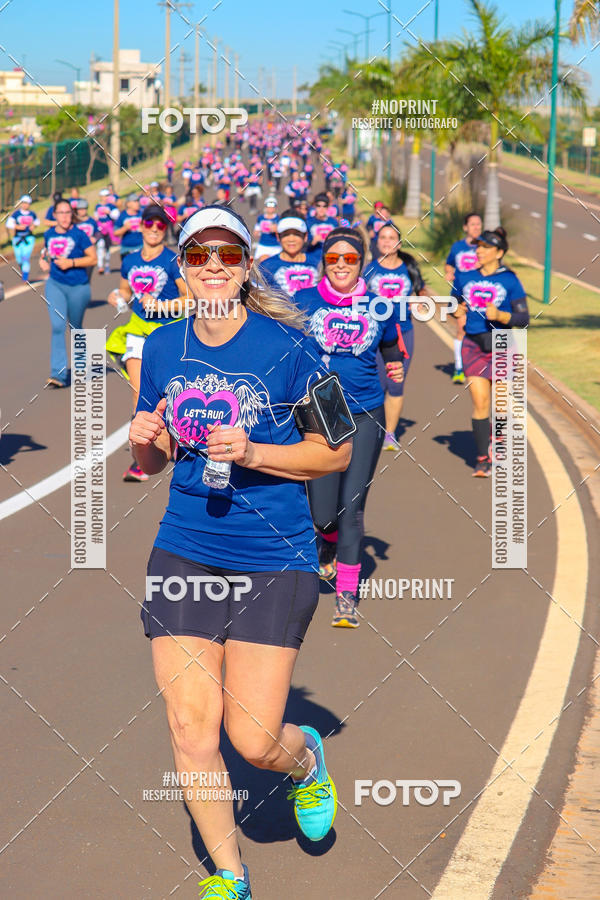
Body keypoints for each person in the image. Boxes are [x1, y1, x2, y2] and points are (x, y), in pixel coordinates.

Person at [130, 204, 348, 899]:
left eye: (227, 254)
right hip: (187, 547)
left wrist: (255, 450)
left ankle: (306, 761)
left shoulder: (292, 347)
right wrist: (145, 440)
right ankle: (231, 878)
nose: (213, 266)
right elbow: (160, 457)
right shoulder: (163, 349)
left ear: (247, 265)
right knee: (192, 728)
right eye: (199, 256)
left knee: (253, 741)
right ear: (184, 268)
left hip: (273, 553)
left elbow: (335, 450)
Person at [295, 227, 405, 627]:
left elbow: (390, 343)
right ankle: (326, 541)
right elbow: (284, 345)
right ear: (323, 261)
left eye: (350, 258)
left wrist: (393, 365)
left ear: (361, 262)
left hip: (365, 411)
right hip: (322, 410)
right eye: (333, 258)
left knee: (352, 510)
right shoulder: (303, 301)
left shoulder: (379, 305)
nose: (341, 264)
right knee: (322, 512)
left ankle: (346, 598)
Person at [105, 204, 187, 482]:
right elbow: (125, 290)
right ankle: (141, 456)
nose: (154, 229)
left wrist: (162, 305)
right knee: (139, 392)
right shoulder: (129, 260)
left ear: (166, 230)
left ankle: (176, 440)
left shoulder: (171, 260)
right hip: (138, 331)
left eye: (160, 225)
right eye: (149, 224)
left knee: (172, 392)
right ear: (140, 226)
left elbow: (190, 299)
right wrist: (117, 296)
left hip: (169, 332)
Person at [451, 227, 529, 476]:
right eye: (478, 246)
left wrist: (501, 315)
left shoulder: (510, 280)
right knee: (480, 400)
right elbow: (453, 303)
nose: (479, 251)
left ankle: (499, 441)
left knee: (500, 403)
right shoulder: (464, 276)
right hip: (474, 344)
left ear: (499, 252)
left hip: (503, 343)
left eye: (485, 247)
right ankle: (483, 458)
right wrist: (456, 310)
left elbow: (524, 318)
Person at [364, 221, 431, 450]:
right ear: (377, 242)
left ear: (399, 243)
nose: (386, 242)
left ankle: (389, 434)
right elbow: (357, 297)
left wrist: (420, 303)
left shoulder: (409, 267)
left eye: (391, 238)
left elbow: (422, 292)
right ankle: (370, 430)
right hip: (374, 333)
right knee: (376, 382)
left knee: (395, 381)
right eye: (383, 238)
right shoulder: (369, 269)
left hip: (402, 332)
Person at [39, 199, 97, 388]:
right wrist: (44, 262)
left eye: (67, 213)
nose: (64, 217)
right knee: (57, 326)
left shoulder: (80, 235)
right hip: (55, 284)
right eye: (60, 213)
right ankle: (58, 374)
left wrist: (71, 263)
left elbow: (93, 258)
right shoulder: (48, 234)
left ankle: (81, 368)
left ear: (71, 215)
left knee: (76, 326)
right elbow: (46, 253)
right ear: (54, 215)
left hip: (79, 286)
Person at [445, 212, 483, 383]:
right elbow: (449, 264)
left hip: (480, 295)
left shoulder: (485, 247)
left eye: (478, 224)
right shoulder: (457, 247)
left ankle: (478, 363)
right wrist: (449, 272)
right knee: (462, 328)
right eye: (473, 224)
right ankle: (459, 368)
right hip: (460, 294)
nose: (476, 227)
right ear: (465, 227)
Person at [259, 209, 320, 296]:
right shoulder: (265, 267)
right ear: (278, 237)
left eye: (297, 234)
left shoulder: (318, 265)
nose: (291, 239)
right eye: (286, 234)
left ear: (305, 236)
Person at [6, 194, 39, 282]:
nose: (25, 205)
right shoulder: (16, 214)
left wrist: (33, 226)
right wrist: (17, 227)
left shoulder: (32, 214)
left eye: (27, 203)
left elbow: (37, 222)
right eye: (23, 203)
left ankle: (25, 278)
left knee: (25, 257)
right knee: (19, 259)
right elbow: (8, 224)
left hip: (29, 239)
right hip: (17, 239)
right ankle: (23, 270)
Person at [114, 196, 143, 261]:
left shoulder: (142, 214)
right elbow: (115, 233)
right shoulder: (122, 216)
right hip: (126, 249)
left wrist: (144, 228)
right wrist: (125, 228)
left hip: (142, 248)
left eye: (138, 201)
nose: (138, 203)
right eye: (135, 201)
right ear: (128, 204)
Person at [253, 197, 280, 262]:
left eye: (272, 205)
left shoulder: (279, 218)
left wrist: (276, 229)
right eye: (268, 205)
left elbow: (282, 233)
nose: (270, 208)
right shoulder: (260, 218)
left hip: (276, 246)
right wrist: (260, 230)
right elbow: (255, 233)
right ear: (265, 206)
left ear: (276, 207)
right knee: (263, 264)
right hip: (263, 245)